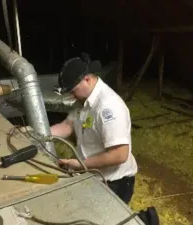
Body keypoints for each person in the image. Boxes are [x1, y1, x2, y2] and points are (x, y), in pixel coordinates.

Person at [51, 53, 138, 204]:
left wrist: (79, 164)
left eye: (73, 91)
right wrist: (38, 132)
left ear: (87, 79)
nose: (72, 96)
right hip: (92, 175)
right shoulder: (83, 101)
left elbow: (119, 155)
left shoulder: (108, 107)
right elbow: (68, 125)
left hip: (113, 183)